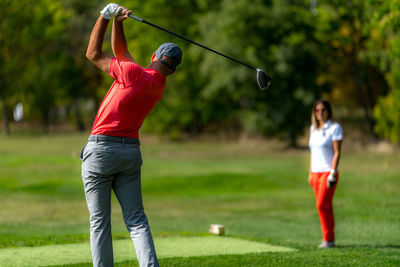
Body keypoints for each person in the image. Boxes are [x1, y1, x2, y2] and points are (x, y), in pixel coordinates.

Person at [80, 3, 182, 267]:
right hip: (130, 154)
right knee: (136, 221)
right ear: (172, 70)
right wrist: (118, 22)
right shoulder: (157, 84)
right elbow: (121, 52)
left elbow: (93, 53)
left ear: (152, 55)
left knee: (99, 222)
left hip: (101, 151)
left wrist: (104, 17)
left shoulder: (133, 74)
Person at [308, 99, 343, 248]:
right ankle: (329, 239)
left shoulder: (334, 128)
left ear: (328, 111)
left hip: (327, 173)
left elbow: (337, 152)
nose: (320, 113)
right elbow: (312, 153)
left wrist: (332, 173)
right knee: (324, 206)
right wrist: (310, 173)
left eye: (323, 110)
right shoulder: (313, 129)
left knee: (322, 204)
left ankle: (328, 239)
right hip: (315, 173)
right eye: (317, 110)